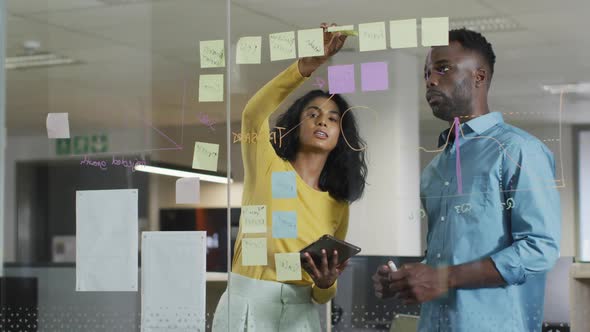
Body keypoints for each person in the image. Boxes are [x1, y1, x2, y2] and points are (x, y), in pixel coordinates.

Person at [373, 28, 561, 331]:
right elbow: (453, 255)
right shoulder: (436, 168)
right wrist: (407, 280)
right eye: (427, 73)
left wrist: (443, 277)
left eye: (443, 69)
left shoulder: (518, 150)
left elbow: (539, 249)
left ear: (479, 76)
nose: (430, 81)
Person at [212, 23, 367, 332]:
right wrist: (305, 67)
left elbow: (321, 292)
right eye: (312, 114)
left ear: (340, 135)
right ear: (297, 125)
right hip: (248, 308)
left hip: (301, 316)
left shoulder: (337, 203)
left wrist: (326, 285)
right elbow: (252, 116)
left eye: (333, 118)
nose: (322, 119)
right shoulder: (268, 166)